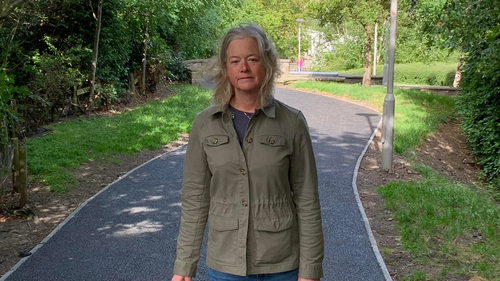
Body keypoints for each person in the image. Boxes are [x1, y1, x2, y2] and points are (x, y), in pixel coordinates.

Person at [172, 23, 324, 281]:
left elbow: (307, 201)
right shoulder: (204, 124)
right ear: (225, 68)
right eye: (235, 61)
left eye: (252, 59)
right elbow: (195, 201)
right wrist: (184, 266)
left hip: (282, 265)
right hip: (225, 267)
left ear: (267, 64)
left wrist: (310, 270)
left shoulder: (292, 123)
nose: (244, 67)